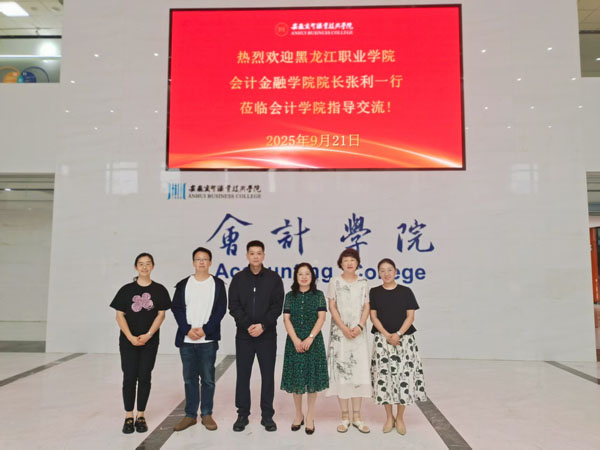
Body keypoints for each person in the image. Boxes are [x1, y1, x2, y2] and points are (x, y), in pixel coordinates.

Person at [109, 253, 171, 434]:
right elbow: (119, 315)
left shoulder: (159, 290)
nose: (144, 267)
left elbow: (161, 315)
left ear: (153, 266)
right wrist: (129, 336)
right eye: (141, 264)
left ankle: (141, 415)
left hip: (149, 341)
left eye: (148, 263)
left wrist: (149, 334)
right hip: (128, 341)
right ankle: (129, 415)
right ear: (136, 267)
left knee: (144, 376)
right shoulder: (126, 290)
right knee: (129, 377)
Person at [228, 240, 284, 432]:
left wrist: (263, 325)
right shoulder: (238, 279)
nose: (255, 256)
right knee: (243, 375)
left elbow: (277, 306)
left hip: (267, 335)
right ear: (247, 256)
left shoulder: (273, 279)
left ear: (264, 255)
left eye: (259, 253)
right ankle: (242, 414)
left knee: (267, 376)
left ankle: (267, 415)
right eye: (252, 253)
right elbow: (233, 305)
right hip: (244, 336)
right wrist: (248, 325)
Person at [171, 247, 227, 432]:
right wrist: (187, 330)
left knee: (208, 379)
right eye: (198, 259)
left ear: (210, 262)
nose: (201, 262)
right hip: (187, 341)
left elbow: (220, 310)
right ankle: (190, 415)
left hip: (207, 341)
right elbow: (177, 308)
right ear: (193, 262)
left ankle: (207, 414)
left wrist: (205, 329)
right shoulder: (183, 284)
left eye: (205, 259)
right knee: (189, 379)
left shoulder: (217, 284)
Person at [370, 258, 427, 435]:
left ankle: (400, 418)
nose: (386, 273)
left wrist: (398, 334)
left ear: (395, 272)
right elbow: (373, 317)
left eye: (389, 270)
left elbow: (410, 316)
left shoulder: (406, 291)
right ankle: (389, 417)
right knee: (384, 378)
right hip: (382, 340)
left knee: (404, 378)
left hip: (404, 340)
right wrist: (387, 335)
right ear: (378, 273)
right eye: (382, 270)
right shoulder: (374, 292)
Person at [326, 248, 371, 433]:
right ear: (341, 263)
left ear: (357, 263)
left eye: (352, 260)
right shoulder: (335, 281)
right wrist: (343, 328)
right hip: (340, 334)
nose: (349, 263)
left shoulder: (363, 282)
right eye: (345, 260)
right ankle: (345, 417)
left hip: (358, 334)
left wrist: (360, 325)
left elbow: (367, 306)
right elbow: (332, 306)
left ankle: (357, 417)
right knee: (342, 373)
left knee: (358, 373)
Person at [280, 263, 329, 435]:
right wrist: (295, 339)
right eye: (300, 274)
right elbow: (286, 319)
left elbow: (321, 318)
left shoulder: (318, 295)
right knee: (297, 380)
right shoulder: (289, 296)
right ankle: (298, 414)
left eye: (307, 273)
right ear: (296, 277)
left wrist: (310, 338)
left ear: (312, 277)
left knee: (312, 380)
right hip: (294, 342)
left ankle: (310, 416)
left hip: (313, 342)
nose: (304, 277)